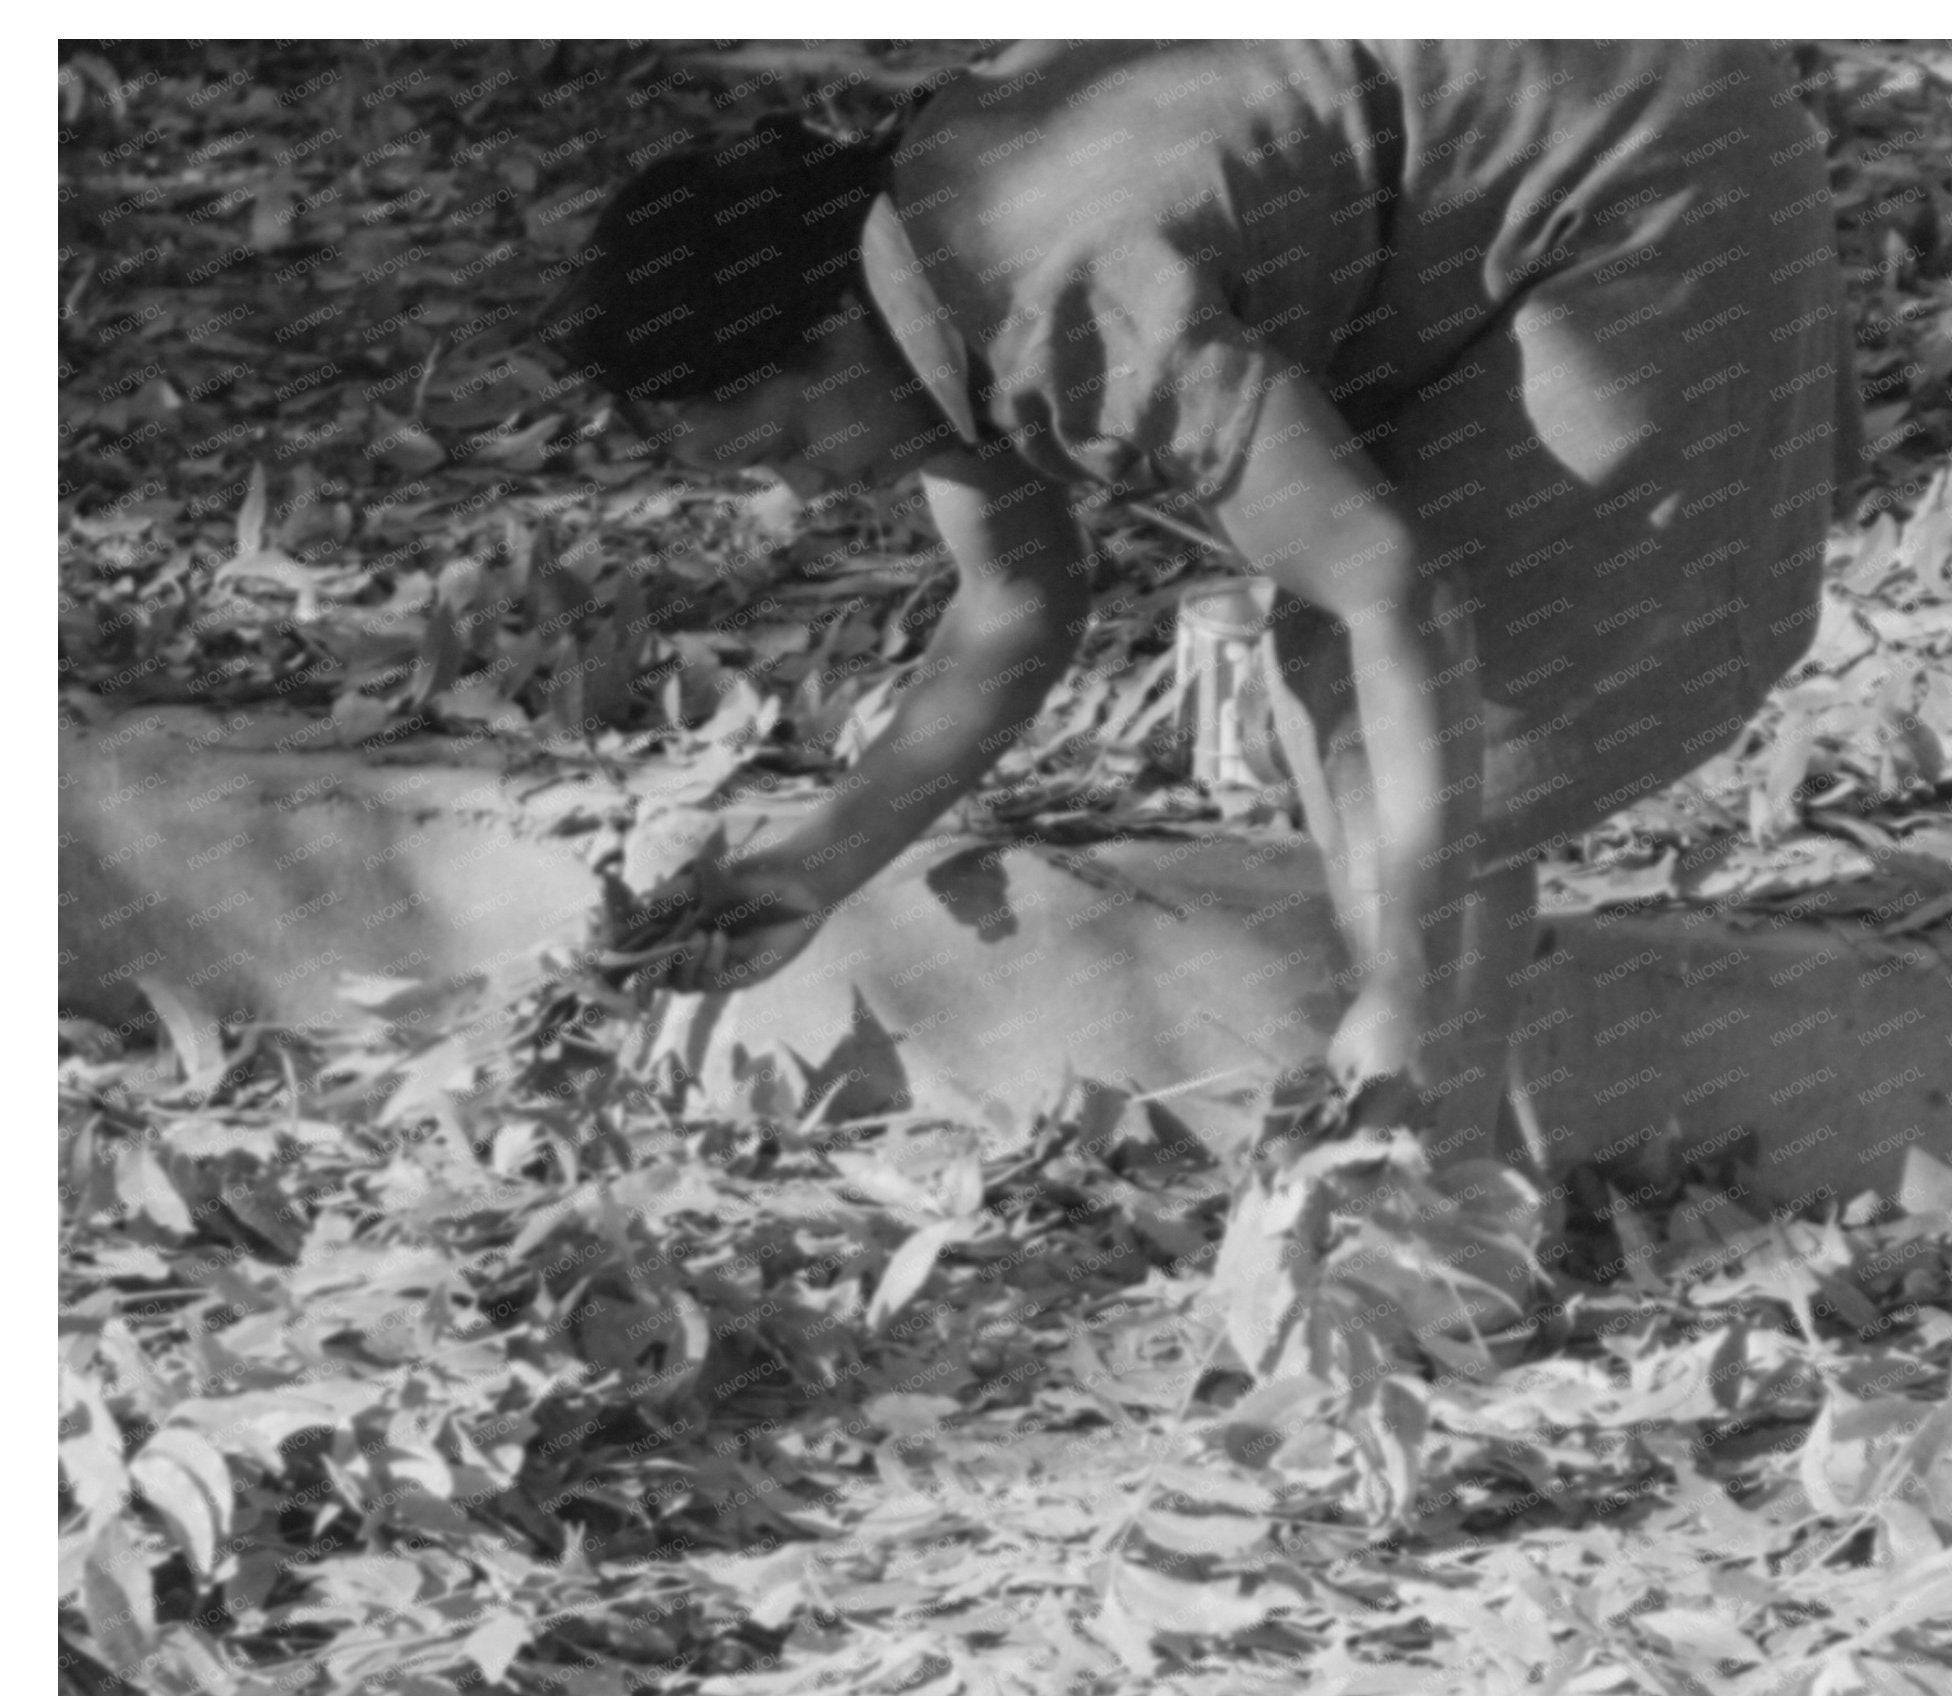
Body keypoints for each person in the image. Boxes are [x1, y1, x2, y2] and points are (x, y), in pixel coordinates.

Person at [546, 40, 1859, 1164]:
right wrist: (814, 864)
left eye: (780, 442)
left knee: (1394, 703)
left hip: (1645, 154)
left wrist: (1398, 989)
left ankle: (1426, 1191)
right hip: (1505, 146)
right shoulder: (911, 272)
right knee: (1355, 714)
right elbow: (1012, 608)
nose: (802, 491)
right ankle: (1424, 1141)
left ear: (825, 336)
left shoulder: (1068, 289)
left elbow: (1387, 599)